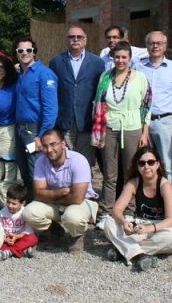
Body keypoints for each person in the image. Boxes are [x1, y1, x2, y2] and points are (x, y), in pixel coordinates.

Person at [102, 146, 172, 272]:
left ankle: (123, 250)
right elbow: (116, 210)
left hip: (160, 228)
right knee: (108, 222)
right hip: (139, 226)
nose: (146, 166)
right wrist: (124, 222)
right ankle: (140, 256)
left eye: (151, 162)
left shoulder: (164, 185)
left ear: (158, 164)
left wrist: (149, 229)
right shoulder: (134, 183)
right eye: (142, 163)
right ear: (137, 167)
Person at [92, 41, 151, 227]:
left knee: (130, 172)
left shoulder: (140, 78)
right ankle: (107, 212)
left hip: (133, 128)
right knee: (110, 174)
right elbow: (98, 105)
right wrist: (98, 132)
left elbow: (147, 105)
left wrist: (144, 131)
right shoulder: (105, 77)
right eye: (117, 57)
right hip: (109, 128)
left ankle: (130, 210)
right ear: (112, 58)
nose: (120, 60)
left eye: (124, 57)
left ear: (130, 58)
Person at [23, 129, 98, 254]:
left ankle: (77, 235)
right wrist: (61, 192)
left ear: (63, 144)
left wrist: (49, 195)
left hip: (83, 202)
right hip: (58, 201)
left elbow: (78, 198)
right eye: (45, 146)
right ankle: (55, 231)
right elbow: (38, 193)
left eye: (53, 144)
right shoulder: (40, 162)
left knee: (72, 216)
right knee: (28, 213)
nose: (49, 150)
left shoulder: (78, 160)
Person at [49, 25, 105, 170]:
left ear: (85, 41)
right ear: (66, 41)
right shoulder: (56, 62)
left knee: (85, 163)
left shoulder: (97, 63)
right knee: (66, 161)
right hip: (65, 122)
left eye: (79, 37)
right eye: (71, 37)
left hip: (87, 120)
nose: (75, 39)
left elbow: (101, 93)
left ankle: (85, 192)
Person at [134, 31, 172, 185]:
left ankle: (166, 199)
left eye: (159, 43)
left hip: (165, 122)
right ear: (147, 45)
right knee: (143, 161)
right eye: (151, 43)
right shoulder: (137, 66)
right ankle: (146, 195)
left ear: (165, 46)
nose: (155, 46)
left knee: (166, 162)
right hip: (141, 122)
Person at [14, 35, 58, 193]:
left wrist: (42, 135)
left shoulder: (44, 74)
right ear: (17, 53)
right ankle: (29, 205)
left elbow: (51, 110)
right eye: (21, 50)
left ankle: (40, 208)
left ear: (34, 52)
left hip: (34, 130)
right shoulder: (20, 74)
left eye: (28, 50)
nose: (25, 53)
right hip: (19, 129)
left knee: (36, 172)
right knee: (24, 170)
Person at [0, 54, 20, 207]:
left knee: (5, 174)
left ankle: (8, 208)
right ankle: (1, 205)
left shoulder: (13, 87)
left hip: (8, 132)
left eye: (1, 67)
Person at [0, 184, 38, 261]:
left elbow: (29, 230)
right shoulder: (2, 213)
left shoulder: (25, 212)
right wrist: (5, 238)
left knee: (33, 238)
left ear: (22, 203)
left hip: (20, 237)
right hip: (7, 239)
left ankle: (9, 252)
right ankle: (23, 251)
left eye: (14, 204)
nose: (10, 205)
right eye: (8, 202)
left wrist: (17, 236)